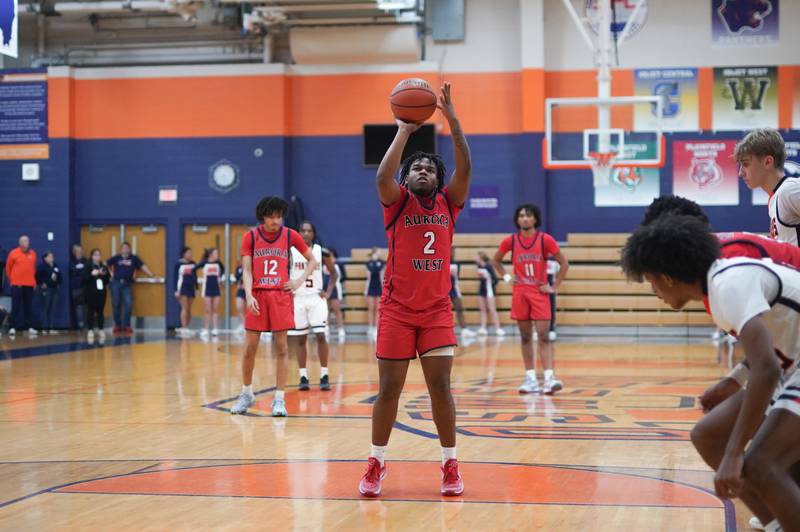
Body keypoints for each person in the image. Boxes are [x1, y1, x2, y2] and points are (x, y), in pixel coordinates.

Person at [621, 214, 800, 532]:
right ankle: (776, 524)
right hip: (791, 366)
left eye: (650, 280)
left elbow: (767, 368)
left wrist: (734, 455)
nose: (654, 290)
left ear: (668, 276)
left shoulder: (726, 285)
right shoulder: (717, 284)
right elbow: (777, 341)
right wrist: (733, 380)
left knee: (761, 462)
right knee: (708, 435)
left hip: (788, 369)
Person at [359, 81, 471, 498]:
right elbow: (384, 174)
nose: (424, 171)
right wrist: (405, 131)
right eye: (417, 169)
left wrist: (453, 121)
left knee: (440, 388)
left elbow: (465, 167)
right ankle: (376, 462)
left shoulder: (449, 203)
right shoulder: (397, 202)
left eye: (431, 169)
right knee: (389, 389)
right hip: (398, 310)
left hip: (437, 311)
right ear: (409, 179)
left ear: (439, 181)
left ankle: (449, 463)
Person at [230, 196, 319, 417]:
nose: (276, 220)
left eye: (279, 216)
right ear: (263, 216)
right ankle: (246, 393)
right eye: (272, 216)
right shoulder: (250, 237)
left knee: (281, 348)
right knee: (250, 348)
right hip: (258, 296)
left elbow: (313, 261)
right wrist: (249, 295)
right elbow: (247, 271)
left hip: (280, 296)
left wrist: (298, 281)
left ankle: (279, 399)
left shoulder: (290, 235)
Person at [492, 204, 569, 395]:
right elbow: (496, 261)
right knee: (525, 337)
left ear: (535, 219)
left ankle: (550, 378)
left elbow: (564, 263)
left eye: (528, 215)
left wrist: (554, 286)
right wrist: (507, 277)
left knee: (543, 335)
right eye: (521, 216)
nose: (525, 219)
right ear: (517, 220)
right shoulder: (510, 241)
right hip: (520, 293)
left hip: (539, 292)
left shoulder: (545, 240)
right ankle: (530, 378)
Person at [288, 221, 338, 392]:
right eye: (303, 230)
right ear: (298, 233)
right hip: (298, 298)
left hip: (316, 298)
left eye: (309, 231)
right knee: (300, 339)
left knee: (320, 335)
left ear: (313, 234)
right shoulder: (291, 252)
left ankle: (324, 374)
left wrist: (329, 292)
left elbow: (334, 273)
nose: (306, 233)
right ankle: (303, 376)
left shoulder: (321, 252)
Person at [735, 128, 800, 245]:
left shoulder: (788, 191)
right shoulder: (775, 198)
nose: (740, 173)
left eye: (745, 164)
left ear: (768, 162)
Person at [107, 242, 154, 334]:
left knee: (128, 304)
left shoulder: (134, 258)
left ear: (129, 249)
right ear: (121, 249)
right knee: (116, 303)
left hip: (127, 284)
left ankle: (127, 324)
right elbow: (106, 264)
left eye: (127, 248)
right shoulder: (116, 258)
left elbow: (142, 266)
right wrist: (110, 273)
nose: (125, 249)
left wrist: (150, 273)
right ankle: (118, 324)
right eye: (123, 248)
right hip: (116, 283)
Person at [5, 235, 38, 336]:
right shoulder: (13, 253)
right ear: (20, 243)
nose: (26, 243)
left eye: (27, 241)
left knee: (28, 306)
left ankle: (29, 327)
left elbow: (33, 269)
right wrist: (13, 280)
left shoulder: (33, 254)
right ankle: (12, 327)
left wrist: (34, 282)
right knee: (16, 307)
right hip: (17, 284)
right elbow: (8, 268)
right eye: (23, 241)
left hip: (29, 284)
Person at [85, 249, 110, 343]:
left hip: (101, 292)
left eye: (99, 255)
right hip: (90, 292)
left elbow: (107, 280)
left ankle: (101, 329)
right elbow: (84, 278)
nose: (97, 257)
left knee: (100, 311)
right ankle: (90, 330)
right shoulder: (88, 266)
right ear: (92, 256)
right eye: (95, 255)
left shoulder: (103, 266)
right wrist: (92, 274)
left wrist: (103, 275)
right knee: (90, 311)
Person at [198, 247, 224, 338]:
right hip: (207, 288)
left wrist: (220, 280)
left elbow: (223, 271)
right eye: (215, 253)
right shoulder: (204, 263)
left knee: (215, 309)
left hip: (216, 288)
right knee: (208, 309)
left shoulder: (218, 263)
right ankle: (205, 328)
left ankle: (215, 329)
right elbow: (194, 268)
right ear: (210, 254)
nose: (217, 255)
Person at [449, 249, 476, 339]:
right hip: (444, 290)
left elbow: (457, 276)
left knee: (459, 309)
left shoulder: (457, 263)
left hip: (454, 289)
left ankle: (464, 330)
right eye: (451, 251)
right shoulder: (442, 262)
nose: (452, 253)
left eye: (453, 251)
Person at [476, 252, 503, 336]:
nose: (475, 258)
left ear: (481, 257)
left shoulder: (489, 266)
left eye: (477, 256)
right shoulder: (479, 266)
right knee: (483, 310)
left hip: (490, 290)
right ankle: (483, 328)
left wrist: (489, 280)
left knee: (492, 309)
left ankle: (498, 328)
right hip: (482, 290)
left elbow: (495, 280)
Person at [36, 251, 62, 334]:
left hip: (54, 289)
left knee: (52, 308)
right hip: (46, 289)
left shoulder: (55, 266)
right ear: (45, 258)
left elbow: (59, 276)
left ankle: (51, 327)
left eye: (52, 256)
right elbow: (37, 277)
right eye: (49, 257)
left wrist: (58, 283)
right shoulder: (42, 267)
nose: (51, 258)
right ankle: (44, 328)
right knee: (45, 308)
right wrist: (42, 283)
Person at [324, 248, 346, 342]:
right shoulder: (323, 266)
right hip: (325, 289)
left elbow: (341, 278)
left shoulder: (337, 266)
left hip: (335, 290)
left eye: (332, 256)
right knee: (326, 311)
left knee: (337, 311)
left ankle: (341, 329)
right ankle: (326, 329)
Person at [174, 247, 197, 337]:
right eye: (188, 253)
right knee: (184, 307)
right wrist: (176, 290)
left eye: (191, 253)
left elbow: (194, 277)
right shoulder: (178, 264)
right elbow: (175, 277)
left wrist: (197, 288)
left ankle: (187, 326)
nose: (190, 255)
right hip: (182, 288)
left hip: (191, 288)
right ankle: (184, 327)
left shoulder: (193, 264)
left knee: (189, 309)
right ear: (184, 254)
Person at [364, 248, 384, 339]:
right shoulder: (368, 263)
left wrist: (383, 290)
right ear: (375, 252)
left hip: (379, 288)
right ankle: (370, 327)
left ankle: (376, 327)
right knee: (371, 309)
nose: (381, 253)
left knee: (378, 309)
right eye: (379, 251)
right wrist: (365, 290)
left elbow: (382, 278)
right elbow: (368, 279)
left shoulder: (382, 263)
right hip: (371, 287)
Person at [69, 244, 89, 331]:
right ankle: (81, 325)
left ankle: (88, 324)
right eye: (78, 251)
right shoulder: (72, 262)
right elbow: (74, 271)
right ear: (74, 252)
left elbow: (87, 271)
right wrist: (81, 272)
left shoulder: (86, 261)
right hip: (76, 287)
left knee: (87, 306)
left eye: (81, 251)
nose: (80, 253)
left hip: (86, 286)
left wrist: (82, 273)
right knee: (79, 307)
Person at [233, 261, 246, 334]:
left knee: (249, 310)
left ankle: (249, 326)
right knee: (239, 307)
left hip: (249, 290)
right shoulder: (239, 268)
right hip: (240, 290)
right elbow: (236, 278)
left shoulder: (253, 266)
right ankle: (242, 324)